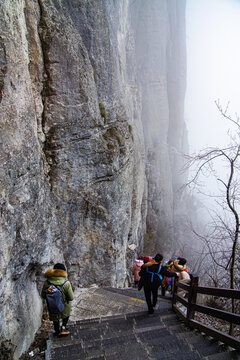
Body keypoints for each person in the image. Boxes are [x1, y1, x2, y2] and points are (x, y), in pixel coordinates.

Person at [41, 263, 74, 336]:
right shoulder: (66, 283)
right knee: (65, 315)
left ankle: (57, 331)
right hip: (65, 306)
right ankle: (63, 327)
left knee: (55, 318)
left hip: (53, 306)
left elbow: (43, 295)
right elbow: (71, 297)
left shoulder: (47, 282)